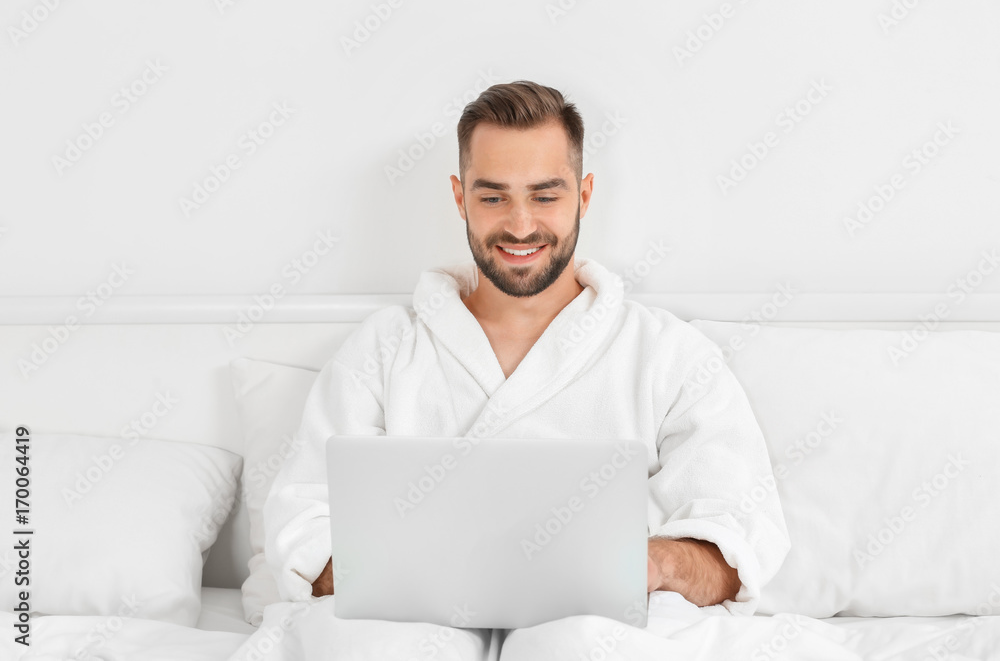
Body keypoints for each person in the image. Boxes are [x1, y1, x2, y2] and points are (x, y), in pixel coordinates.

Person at [263, 79, 790, 633]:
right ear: (459, 196)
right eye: (493, 197)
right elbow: (302, 526)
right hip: (413, 628)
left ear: (584, 196)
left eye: (545, 195)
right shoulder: (382, 350)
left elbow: (738, 541)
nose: (520, 225)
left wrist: (655, 561)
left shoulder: (669, 355)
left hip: (595, 629)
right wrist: (435, 571)